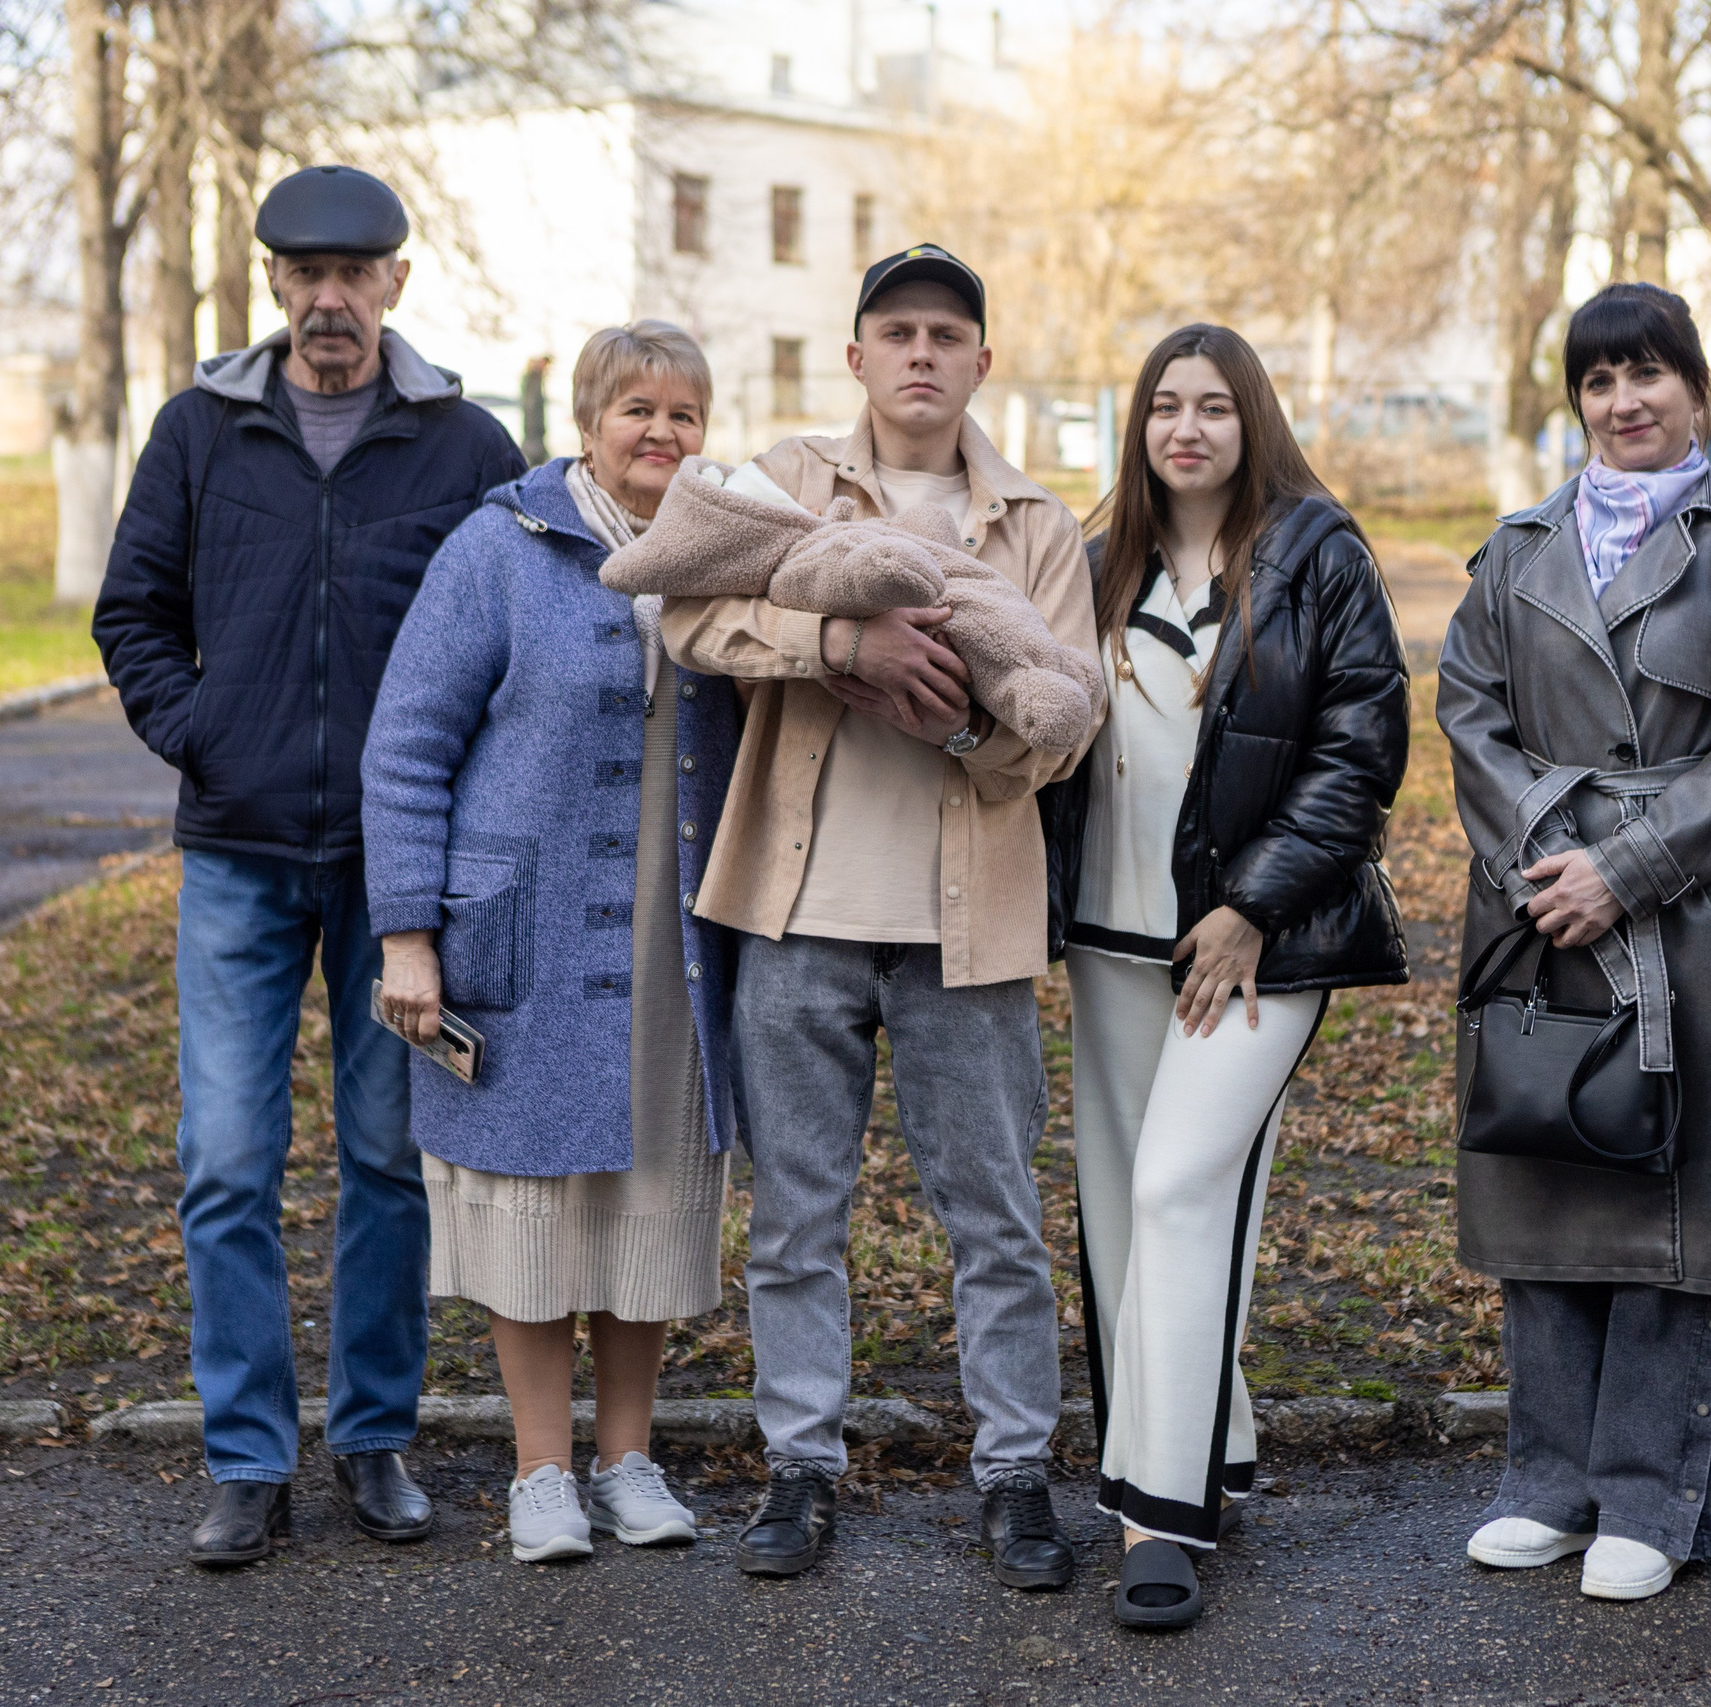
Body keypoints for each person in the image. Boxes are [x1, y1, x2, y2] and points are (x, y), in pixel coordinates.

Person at [92, 165, 526, 1568]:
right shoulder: (199, 431)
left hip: (400, 872)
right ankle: (246, 1458)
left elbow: (514, 631)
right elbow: (132, 611)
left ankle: (375, 1438)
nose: (330, 298)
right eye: (306, 273)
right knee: (225, 1162)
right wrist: (204, 734)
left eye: (355, 273)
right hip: (239, 851)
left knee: (387, 1160)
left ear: (396, 280)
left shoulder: (466, 446)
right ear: (274, 282)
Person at [657, 244, 1100, 1589]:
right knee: (797, 1217)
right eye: (897, 332)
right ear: (856, 356)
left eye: (946, 335)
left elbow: (1066, 725)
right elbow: (690, 617)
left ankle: (1015, 1475)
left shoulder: (1040, 527)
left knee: (997, 1220)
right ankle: (799, 1465)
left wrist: (956, 720)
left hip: (970, 934)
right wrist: (841, 645)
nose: (921, 353)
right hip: (796, 916)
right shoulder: (786, 481)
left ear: (981, 361)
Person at [1436, 283, 1711, 1604]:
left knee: (1675, 1202)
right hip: (1539, 900)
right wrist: (1549, 861)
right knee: (1548, 1167)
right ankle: (1548, 1483)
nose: (1624, 400)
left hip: (1684, 914)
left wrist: (1628, 867)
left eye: (1648, 373)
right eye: (1598, 380)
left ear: (1698, 391)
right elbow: (1468, 712)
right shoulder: (1516, 548)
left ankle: (1655, 1498)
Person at [360, 322, 742, 1565]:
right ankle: (540, 1473)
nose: (661, 433)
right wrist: (409, 937)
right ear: (587, 423)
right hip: (521, 936)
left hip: (673, 941)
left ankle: (628, 1461)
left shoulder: (725, 556)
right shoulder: (500, 548)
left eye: (683, 414)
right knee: (531, 1206)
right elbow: (406, 745)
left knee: (645, 1197)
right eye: (637, 409)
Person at [1048, 324, 1407, 1630]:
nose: (1186, 428)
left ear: (1253, 418)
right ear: (1137, 425)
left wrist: (1252, 907)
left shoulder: (1319, 553)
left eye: (1212, 405)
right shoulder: (1096, 562)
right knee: (1120, 1209)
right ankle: (1216, 1437)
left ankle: (1159, 1511)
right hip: (1111, 938)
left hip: (1257, 944)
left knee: (1179, 1186)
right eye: (1164, 405)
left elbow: (1360, 752)